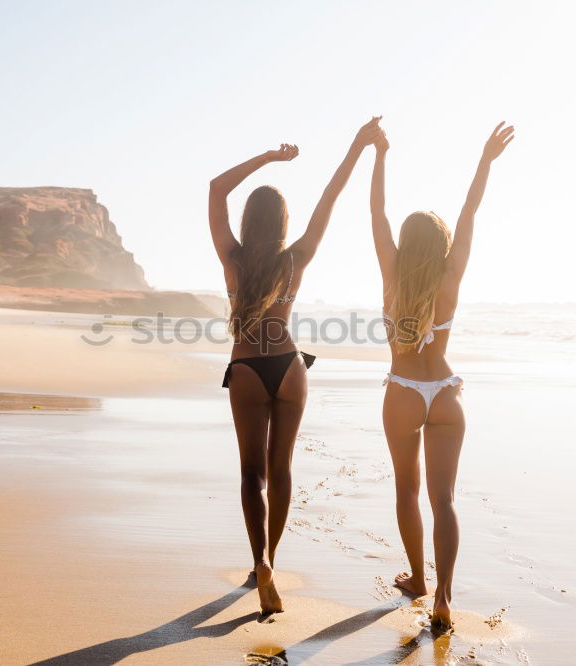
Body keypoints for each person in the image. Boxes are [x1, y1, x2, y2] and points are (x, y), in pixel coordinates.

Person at [208, 118, 382, 616]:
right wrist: (356, 146)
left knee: (250, 472)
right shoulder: (296, 259)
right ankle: (272, 562)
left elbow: (217, 189)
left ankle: (258, 558)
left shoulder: (233, 259)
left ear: (247, 222)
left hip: (245, 368)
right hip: (288, 364)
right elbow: (331, 195)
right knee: (281, 467)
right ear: (283, 224)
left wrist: (267, 158)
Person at [368, 121, 515, 630]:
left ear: (406, 247)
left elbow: (377, 215)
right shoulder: (451, 278)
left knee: (407, 490)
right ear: (442, 246)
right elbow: (469, 212)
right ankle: (444, 597)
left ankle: (417, 578)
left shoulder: (391, 273)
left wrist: (378, 156)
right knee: (444, 500)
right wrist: (485, 161)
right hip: (448, 394)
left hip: (404, 391)